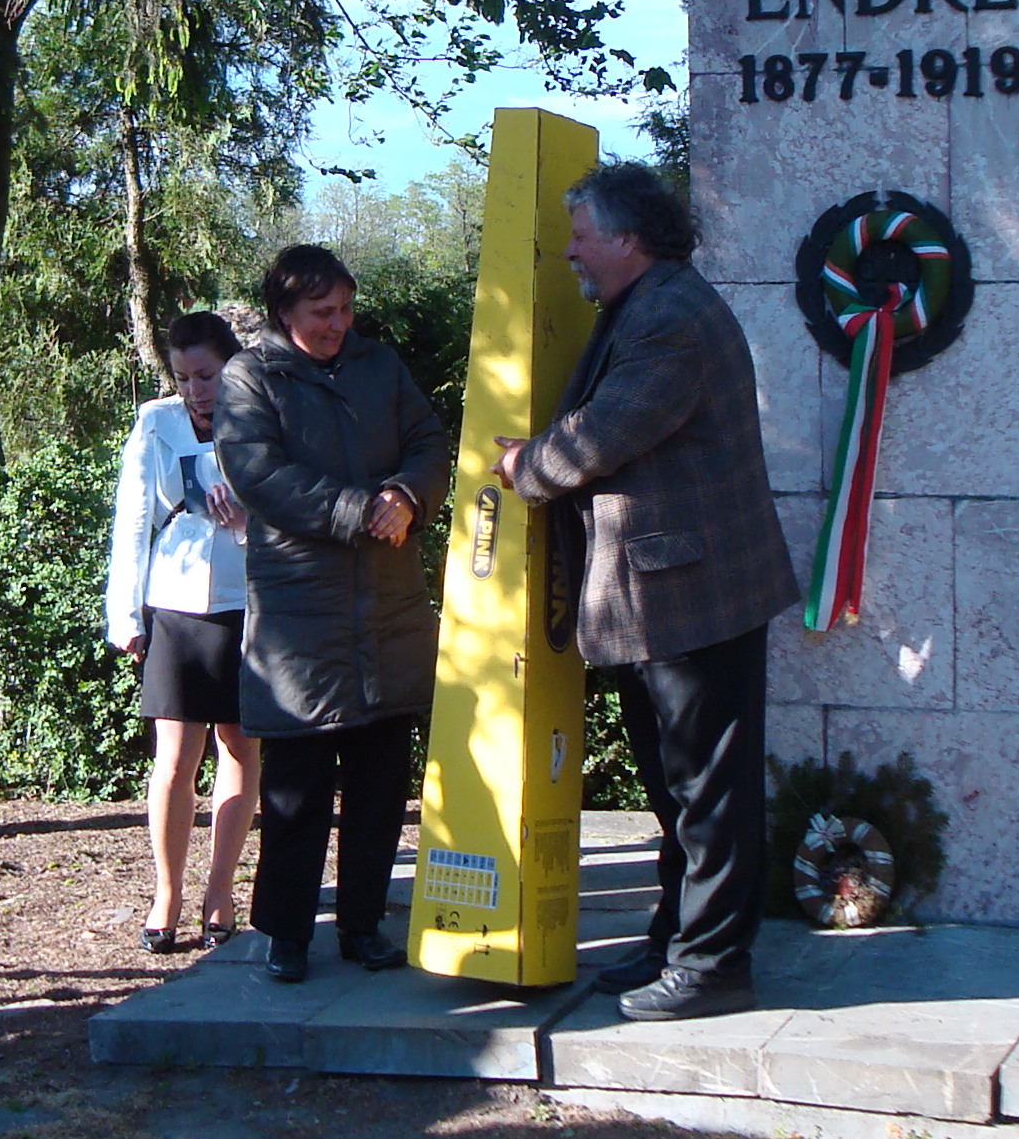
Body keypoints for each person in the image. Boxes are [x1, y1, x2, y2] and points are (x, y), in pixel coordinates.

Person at [498, 163, 798, 1020]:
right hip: (669, 596)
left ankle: (712, 968)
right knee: (681, 791)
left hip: (693, 597)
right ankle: (679, 939)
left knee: (708, 790)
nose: (570, 253)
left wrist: (527, 466)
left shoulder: (668, 318)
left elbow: (607, 433)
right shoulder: (650, 302)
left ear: (629, 240)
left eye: (582, 237)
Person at [215, 246, 451, 985]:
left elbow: (430, 443)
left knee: (382, 784)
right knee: (297, 788)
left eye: (346, 309)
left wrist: (408, 497)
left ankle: (362, 924)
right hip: (300, 614)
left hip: (389, 608)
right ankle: (286, 932)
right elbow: (256, 473)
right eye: (323, 313)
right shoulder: (248, 378)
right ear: (285, 312)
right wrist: (356, 509)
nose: (338, 325)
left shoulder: (381, 367)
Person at [104, 311, 258, 953]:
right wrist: (125, 615)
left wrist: (247, 521)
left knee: (240, 748)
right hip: (173, 602)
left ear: (232, 368)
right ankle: (166, 893)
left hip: (244, 602)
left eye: (208, 375)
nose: (196, 389)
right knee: (174, 758)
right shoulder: (154, 423)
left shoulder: (261, 418)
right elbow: (132, 519)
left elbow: (287, 511)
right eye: (184, 377)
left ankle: (219, 891)